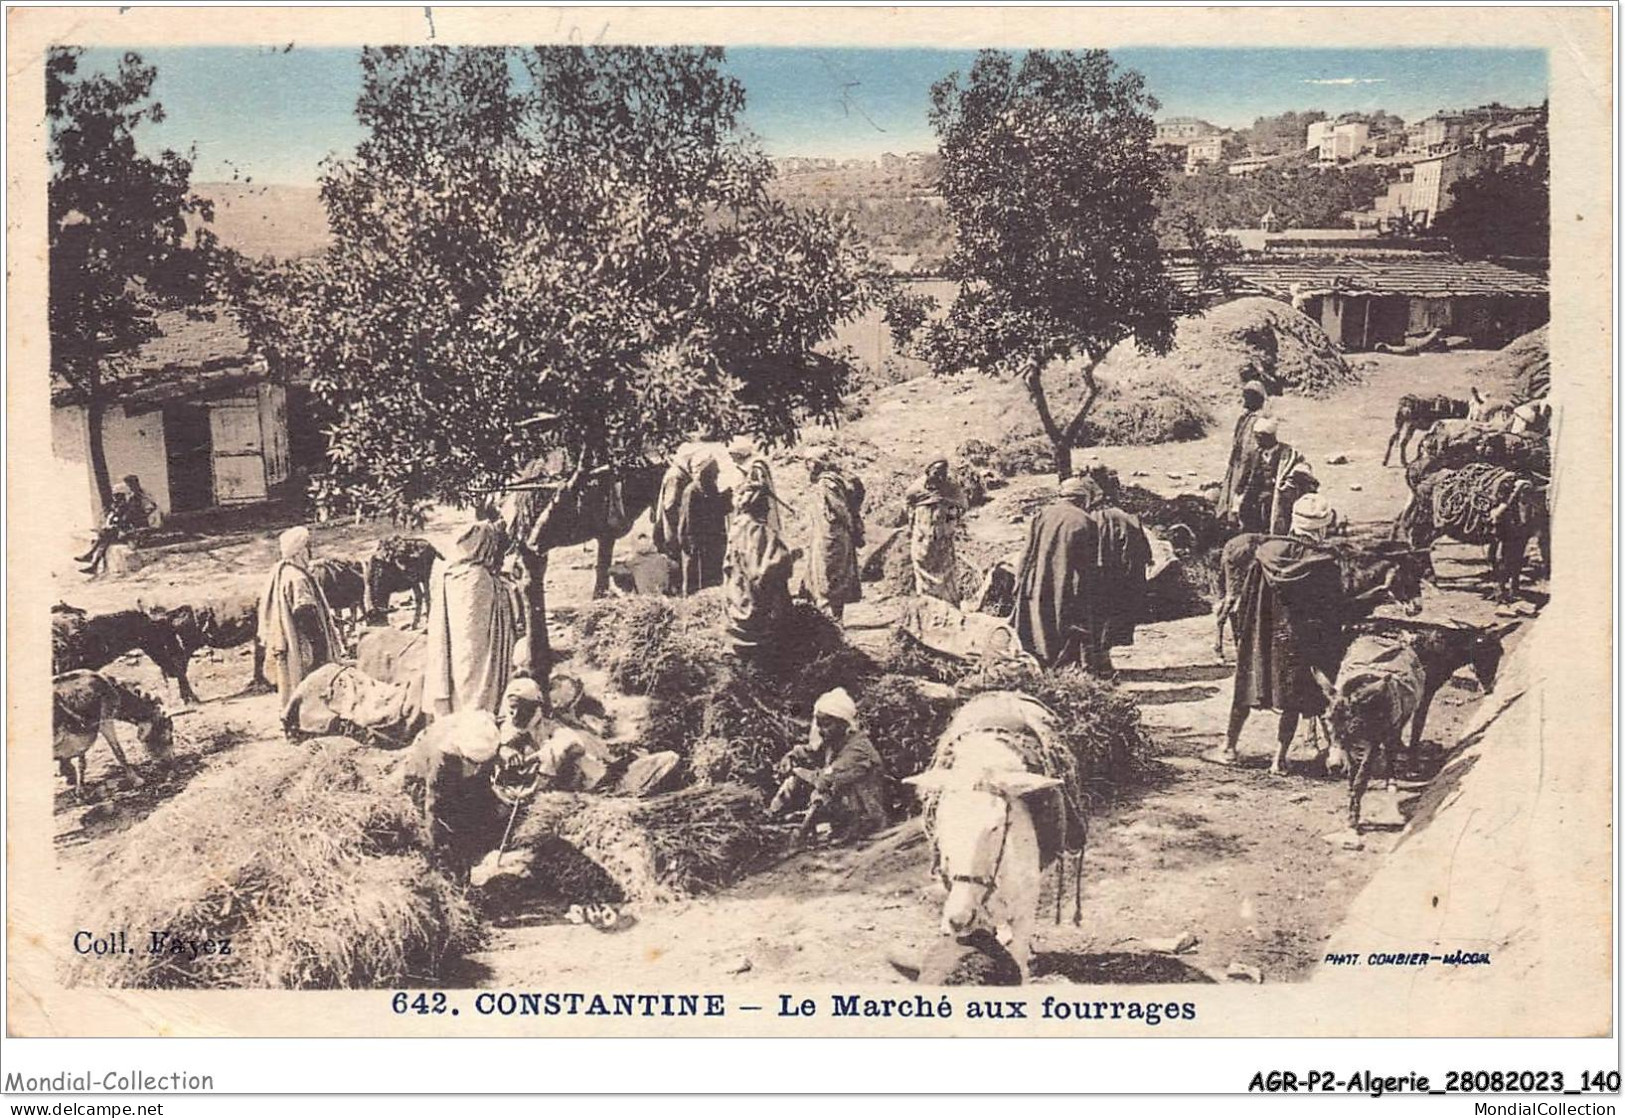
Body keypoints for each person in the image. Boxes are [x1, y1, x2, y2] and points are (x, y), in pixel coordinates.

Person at [1210, 493, 1345, 776]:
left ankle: (1228, 747)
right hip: (1301, 642)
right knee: (1293, 700)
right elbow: (1331, 611)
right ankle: (1279, 759)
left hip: (1262, 636)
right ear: (1321, 528)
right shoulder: (1324, 563)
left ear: (1294, 523)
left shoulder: (1267, 552)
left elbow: (1247, 597)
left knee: (1244, 686)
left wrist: (1247, 633)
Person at [491, 678, 681, 800]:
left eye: (521, 707)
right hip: (522, 791)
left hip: (560, 781)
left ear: (534, 706)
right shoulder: (501, 730)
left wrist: (542, 759)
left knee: (667, 759)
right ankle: (616, 787)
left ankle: (614, 778)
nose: (515, 713)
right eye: (512, 707)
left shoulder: (546, 725)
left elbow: (569, 742)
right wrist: (503, 750)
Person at [768, 687, 888, 844]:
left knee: (821, 790)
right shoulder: (834, 741)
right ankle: (771, 815)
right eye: (819, 725)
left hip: (864, 813)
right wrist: (791, 756)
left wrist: (798, 771)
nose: (821, 731)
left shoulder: (858, 749)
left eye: (826, 725)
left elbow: (825, 780)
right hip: (843, 805)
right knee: (795, 782)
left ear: (843, 724)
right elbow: (810, 750)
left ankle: (802, 833)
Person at [424, 520, 517, 718]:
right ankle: (480, 714)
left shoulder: (450, 573)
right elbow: (499, 603)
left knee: (460, 678)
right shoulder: (479, 576)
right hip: (479, 651)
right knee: (478, 681)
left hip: (456, 649)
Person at [1011, 475, 1102, 670]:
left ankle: (1037, 666)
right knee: (1064, 626)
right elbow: (1088, 565)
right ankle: (1064, 668)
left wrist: (1020, 580)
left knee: (1038, 623)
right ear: (1082, 499)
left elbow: (1027, 551)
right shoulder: (1085, 521)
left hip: (1037, 579)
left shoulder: (1043, 514)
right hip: (1066, 584)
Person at [403, 707, 506, 878]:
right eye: (472, 763)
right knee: (445, 817)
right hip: (421, 771)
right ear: (463, 754)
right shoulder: (442, 759)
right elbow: (433, 805)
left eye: (480, 764)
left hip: (462, 766)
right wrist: (434, 845)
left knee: (478, 807)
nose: (477, 768)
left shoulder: (484, 729)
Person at [258, 526, 345, 710]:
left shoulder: (285, 572)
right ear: (298, 551)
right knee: (310, 684)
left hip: (293, 641)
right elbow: (304, 612)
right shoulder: (297, 578)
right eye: (307, 547)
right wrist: (318, 645)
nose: (310, 552)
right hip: (302, 643)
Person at [723, 475, 798, 667]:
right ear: (757, 504)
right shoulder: (759, 531)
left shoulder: (737, 526)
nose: (768, 508)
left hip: (738, 591)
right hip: (756, 595)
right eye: (764, 503)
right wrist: (790, 557)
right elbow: (767, 569)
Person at [1086, 488, 1153, 677]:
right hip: (1118, 579)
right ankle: (1103, 659)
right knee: (1110, 618)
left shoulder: (1086, 517)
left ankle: (1094, 661)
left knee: (1093, 619)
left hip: (1092, 578)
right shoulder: (1127, 518)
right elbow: (1142, 554)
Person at [806, 457, 865, 622]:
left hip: (833, 535)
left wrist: (853, 530)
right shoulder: (827, 481)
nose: (807, 466)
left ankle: (834, 619)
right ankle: (830, 618)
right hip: (827, 533)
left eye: (809, 462)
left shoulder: (827, 483)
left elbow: (840, 508)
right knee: (828, 574)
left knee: (832, 574)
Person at [905, 458, 967, 605]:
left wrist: (951, 515)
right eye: (936, 471)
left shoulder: (951, 488)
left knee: (946, 571)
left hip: (943, 539)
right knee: (923, 570)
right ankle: (927, 604)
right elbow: (909, 504)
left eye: (943, 471)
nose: (939, 475)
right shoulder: (918, 488)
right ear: (928, 471)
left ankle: (948, 604)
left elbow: (962, 504)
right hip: (922, 539)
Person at [1233, 417, 1310, 535]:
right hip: (1256, 501)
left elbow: (1302, 470)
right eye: (1256, 436)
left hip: (1279, 501)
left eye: (1259, 437)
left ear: (1269, 437)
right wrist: (1238, 498)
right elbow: (1244, 478)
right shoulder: (1253, 454)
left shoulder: (1288, 453)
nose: (1256, 440)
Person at [77, 474, 158, 576]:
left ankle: (92, 560)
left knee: (105, 536)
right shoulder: (133, 496)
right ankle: (93, 563)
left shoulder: (139, 496)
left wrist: (142, 516)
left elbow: (142, 510)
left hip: (138, 528)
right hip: (132, 526)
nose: (128, 486)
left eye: (128, 484)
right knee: (105, 537)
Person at [1215, 382, 1268, 524]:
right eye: (1245, 396)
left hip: (1249, 466)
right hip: (1237, 464)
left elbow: (1253, 451)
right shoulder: (1244, 418)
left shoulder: (1260, 421)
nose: (1245, 400)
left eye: (1250, 397)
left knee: (1243, 497)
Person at [676, 456, 728, 595]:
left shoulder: (710, 487)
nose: (717, 475)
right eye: (714, 472)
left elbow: (715, 509)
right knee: (694, 576)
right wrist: (691, 543)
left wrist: (726, 499)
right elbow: (687, 520)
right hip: (696, 542)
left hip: (710, 540)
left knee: (710, 576)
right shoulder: (692, 491)